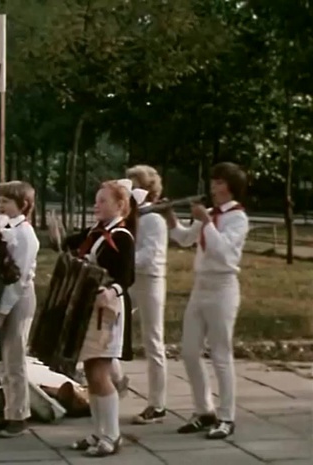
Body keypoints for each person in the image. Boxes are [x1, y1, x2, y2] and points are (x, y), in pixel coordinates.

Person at [162, 162, 249, 440]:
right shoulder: (209, 214)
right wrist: (170, 217)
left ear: (231, 187)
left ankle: (226, 416)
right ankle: (204, 410)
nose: (213, 187)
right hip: (200, 287)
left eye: (219, 182)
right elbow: (185, 239)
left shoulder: (238, 218)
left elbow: (222, 251)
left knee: (221, 354)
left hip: (223, 287)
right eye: (213, 182)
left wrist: (207, 223)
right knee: (189, 351)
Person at [64, 179, 143, 457]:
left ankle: (112, 434)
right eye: (96, 200)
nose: (96, 205)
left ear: (120, 205)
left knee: (99, 372)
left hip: (108, 311)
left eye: (103, 201)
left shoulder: (122, 236)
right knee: (92, 372)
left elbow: (127, 276)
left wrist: (111, 291)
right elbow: (71, 244)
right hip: (92, 308)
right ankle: (99, 432)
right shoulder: (97, 232)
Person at [0, 180, 40, 438]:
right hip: (5, 292)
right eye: (0, 201)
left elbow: (19, 278)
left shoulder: (25, 234)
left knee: (15, 356)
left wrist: (3, 310)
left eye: (6, 201)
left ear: (23, 205)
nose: (1, 205)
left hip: (18, 296)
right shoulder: (7, 228)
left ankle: (20, 415)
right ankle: (9, 411)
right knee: (4, 358)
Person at [126, 165, 169, 425]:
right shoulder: (133, 215)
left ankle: (157, 404)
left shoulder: (153, 219)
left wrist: (123, 261)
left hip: (150, 280)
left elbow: (148, 255)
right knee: (110, 325)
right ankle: (115, 381)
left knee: (153, 340)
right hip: (132, 279)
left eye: (135, 186)